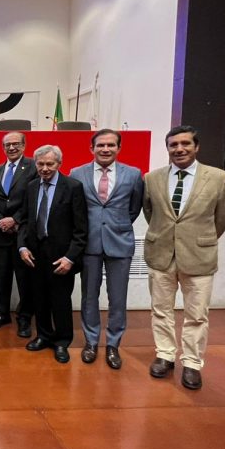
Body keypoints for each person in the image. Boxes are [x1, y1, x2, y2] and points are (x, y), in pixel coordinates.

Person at [143, 125, 225, 390]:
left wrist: (198, 239)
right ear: (168, 148)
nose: (179, 149)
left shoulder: (219, 178)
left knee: (196, 315)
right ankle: (165, 355)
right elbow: (150, 213)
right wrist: (167, 237)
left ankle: (192, 363)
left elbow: (223, 217)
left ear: (196, 147)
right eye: (174, 145)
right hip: (161, 254)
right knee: (161, 310)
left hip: (199, 256)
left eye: (185, 144)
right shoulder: (152, 178)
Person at [70, 129, 144, 369]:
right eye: (100, 145)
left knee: (118, 298)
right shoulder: (77, 173)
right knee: (89, 296)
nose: (105, 149)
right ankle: (91, 342)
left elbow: (134, 208)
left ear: (119, 148)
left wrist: (117, 225)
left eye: (111, 145)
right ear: (91, 148)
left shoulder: (133, 174)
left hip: (120, 243)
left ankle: (113, 345)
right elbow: (74, 208)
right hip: (89, 244)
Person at [19, 145, 88, 364]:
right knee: (39, 299)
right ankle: (44, 335)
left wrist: (70, 257)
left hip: (61, 257)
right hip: (35, 254)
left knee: (60, 301)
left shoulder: (73, 187)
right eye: (40, 164)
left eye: (50, 164)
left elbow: (81, 229)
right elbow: (24, 221)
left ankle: (62, 341)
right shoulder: (31, 186)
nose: (45, 168)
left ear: (59, 163)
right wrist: (22, 247)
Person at [0, 131, 38, 336]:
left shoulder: (33, 167)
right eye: (7, 145)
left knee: (24, 278)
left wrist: (15, 219)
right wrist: (1, 221)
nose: (11, 148)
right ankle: (2, 313)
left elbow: (34, 198)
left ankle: (24, 318)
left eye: (16, 144)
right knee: (1, 277)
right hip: (1, 232)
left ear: (24, 146)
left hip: (22, 232)